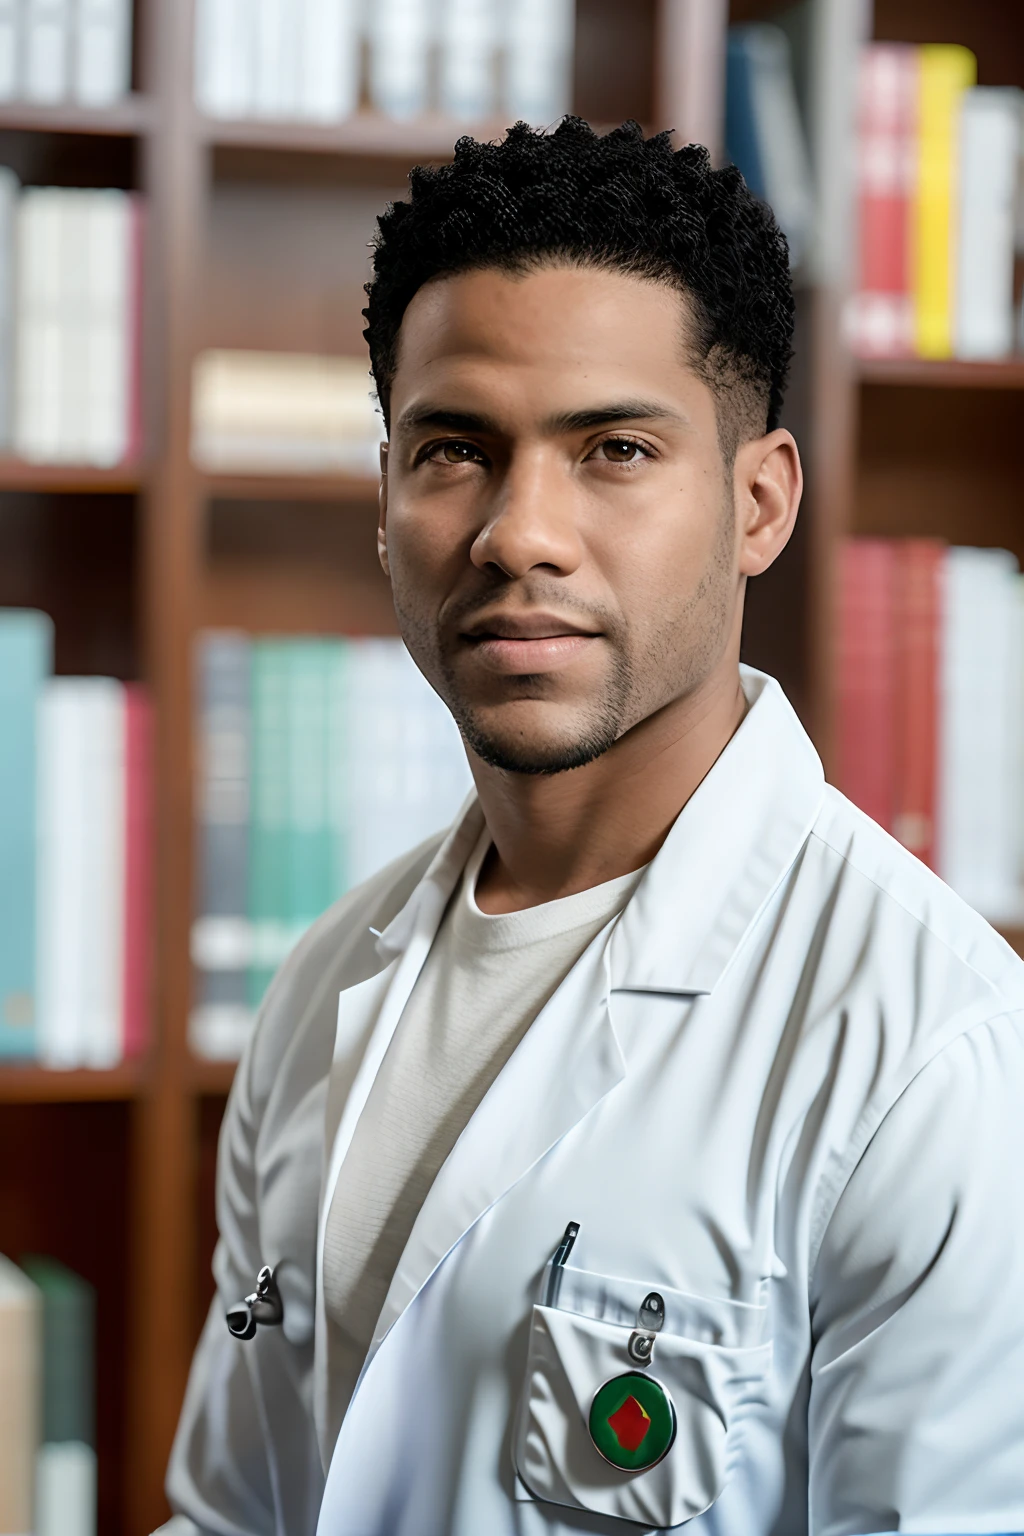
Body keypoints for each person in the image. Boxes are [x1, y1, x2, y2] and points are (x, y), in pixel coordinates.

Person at [161, 119, 1024, 1536]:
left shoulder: (934, 1059)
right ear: (385, 504)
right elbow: (232, 1515)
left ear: (758, 503)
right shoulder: (322, 984)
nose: (519, 533)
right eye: (453, 450)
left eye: (614, 448)